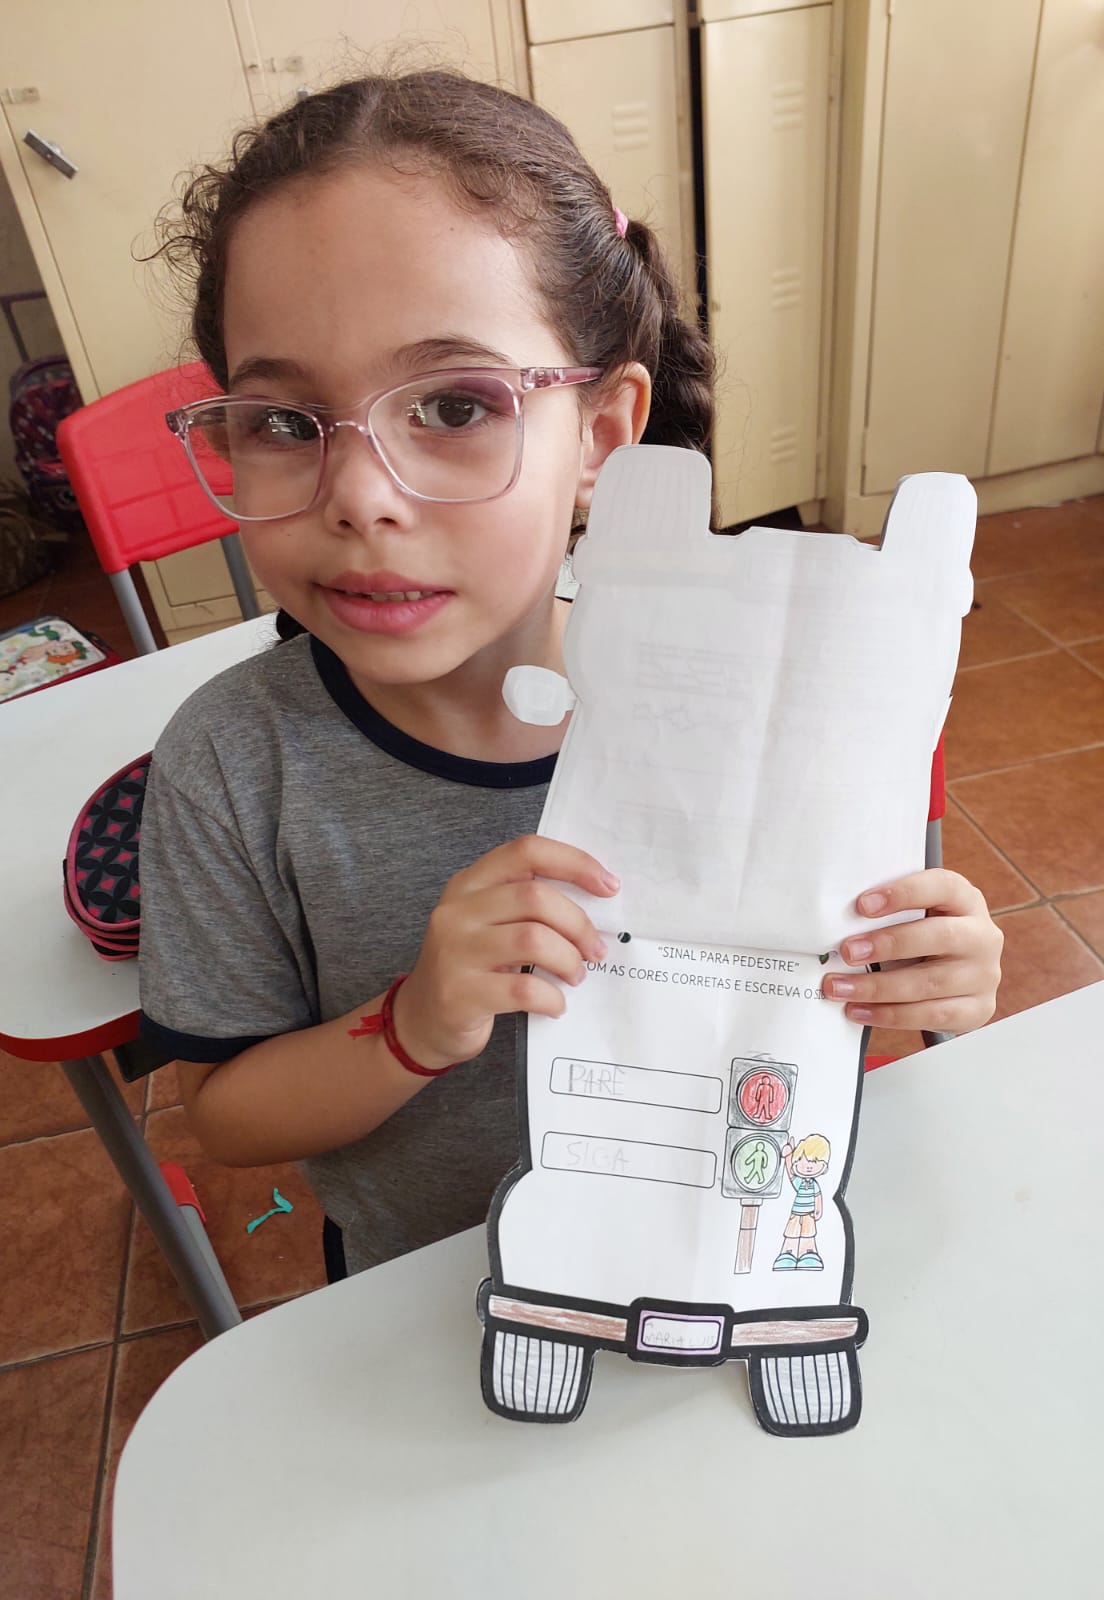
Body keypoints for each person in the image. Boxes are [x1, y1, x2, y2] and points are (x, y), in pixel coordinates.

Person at [138, 70, 1004, 1280]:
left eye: (454, 405)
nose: (360, 498)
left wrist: (939, 979)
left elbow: (840, 995)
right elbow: (222, 1116)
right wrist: (415, 1022)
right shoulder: (233, 765)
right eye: (285, 423)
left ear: (600, 436)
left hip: (730, 1252)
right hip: (423, 1290)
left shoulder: (738, 700)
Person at [774, 1134, 831, 1271]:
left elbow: (818, 1197)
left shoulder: (814, 1185)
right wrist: (788, 1157)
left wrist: (818, 1210)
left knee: (808, 1234)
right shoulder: (799, 1182)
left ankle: (808, 1253)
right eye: (801, 1160)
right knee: (791, 1233)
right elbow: (791, 1174)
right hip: (796, 1214)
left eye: (814, 1161)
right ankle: (787, 1253)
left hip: (809, 1215)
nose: (808, 1166)